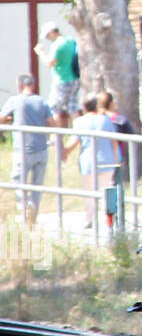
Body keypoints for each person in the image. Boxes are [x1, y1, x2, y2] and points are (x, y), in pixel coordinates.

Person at [0, 74, 53, 225]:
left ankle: (24, 208)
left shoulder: (14, 101)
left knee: (17, 181)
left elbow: (1, 119)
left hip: (22, 149)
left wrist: (11, 119)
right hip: (41, 149)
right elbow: (51, 123)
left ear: (20, 85)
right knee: (37, 185)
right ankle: (33, 214)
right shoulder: (42, 102)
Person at [64, 96, 120, 229]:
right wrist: (116, 158)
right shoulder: (105, 120)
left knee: (89, 193)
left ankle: (89, 219)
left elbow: (74, 141)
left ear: (83, 107)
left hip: (88, 162)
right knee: (108, 192)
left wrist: (64, 152)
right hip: (106, 160)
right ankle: (111, 220)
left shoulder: (79, 122)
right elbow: (114, 141)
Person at [34, 21, 80, 128]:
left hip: (61, 80)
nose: (47, 38)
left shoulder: (57, 45)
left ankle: (56, 138)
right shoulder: (70, 40)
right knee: (73, 108)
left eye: (47, 36)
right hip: (74, 78)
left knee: (55, 109)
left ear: (52, 33)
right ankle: (79, 135)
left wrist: (40, 52)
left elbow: (49, 62)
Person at [97, 91, 134, 183]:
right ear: (111, 104)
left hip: (95, 158)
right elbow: (131, 137)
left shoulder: (92, 120)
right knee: (115, 187)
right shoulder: (120, 120)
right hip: (115, 158)